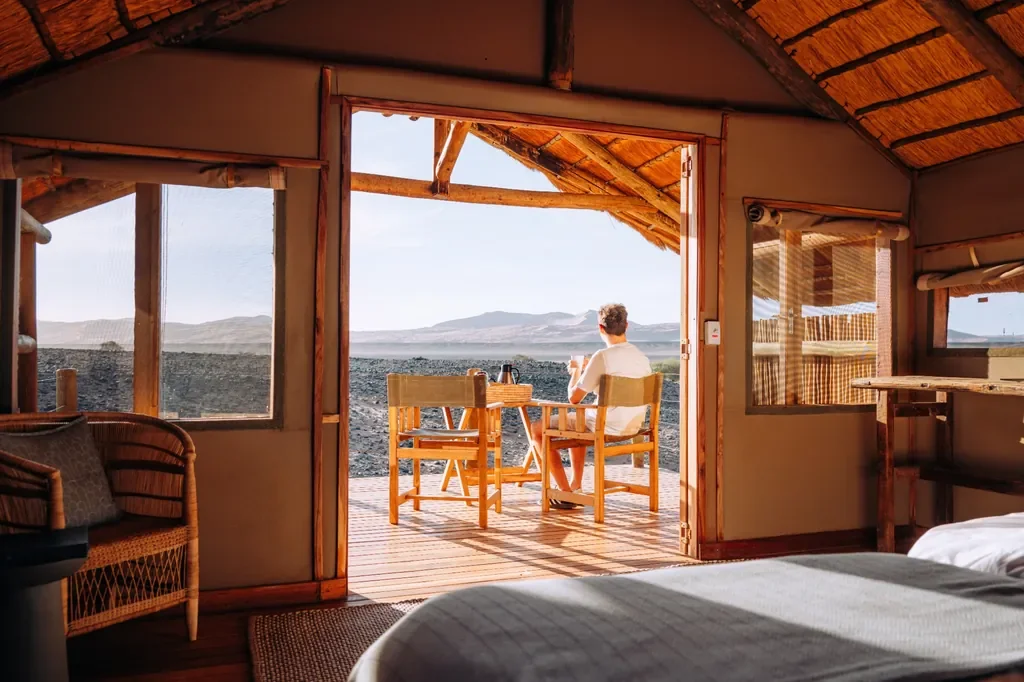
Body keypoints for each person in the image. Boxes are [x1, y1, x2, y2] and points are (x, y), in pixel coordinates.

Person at [530, 303, 652, 509]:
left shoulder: (602, 356)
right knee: (580, 420)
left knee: (537, 429)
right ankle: (575, 485)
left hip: (604, 425)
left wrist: (576, 373)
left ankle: (565, 493)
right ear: (626, 326)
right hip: (633, 425)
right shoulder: (642, 357)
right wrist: (591, 370)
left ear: (601, 329)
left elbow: (574, 398)